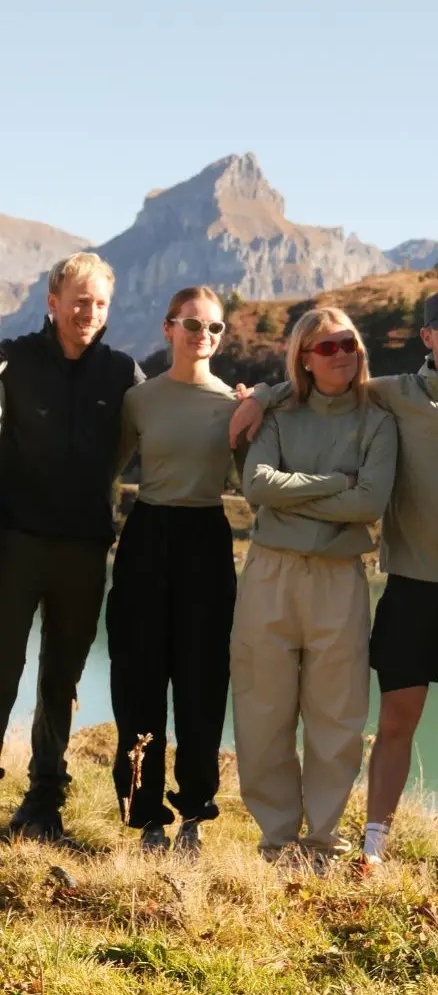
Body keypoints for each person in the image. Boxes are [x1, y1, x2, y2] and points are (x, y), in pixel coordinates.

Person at [231, 288, 438, 885]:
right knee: (382, 720)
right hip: (409, 584)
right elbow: (308, 403)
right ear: (427, 337)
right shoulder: (392, 395)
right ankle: (366, 845)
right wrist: (265, 396)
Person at [231, 307, 397, 863]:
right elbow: (257, 484)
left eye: (347, 343)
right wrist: (334, 485)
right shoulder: (279, 412)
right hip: (270, 575)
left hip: (339, 581)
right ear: (304, 355)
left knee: (337, 717)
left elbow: (369, 503)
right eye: (326, 347)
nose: (341, 355)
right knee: (262, 712)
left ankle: (323, 842)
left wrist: (295, 496)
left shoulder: (377, 420)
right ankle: (277, 840)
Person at [0, 253, 142, 839]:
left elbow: (161, 424)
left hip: (85, 549)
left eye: (100, 303)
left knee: (62, 678)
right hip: (15, 544)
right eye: (79, 301)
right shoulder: (13, 360)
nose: (89, 312)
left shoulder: (123, 373)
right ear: (52, 303)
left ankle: (42, 803)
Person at [108, 287, 241, 855]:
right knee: (138, 675)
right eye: (192, 324)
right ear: (168, 328)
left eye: (214, 328)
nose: (202, 336)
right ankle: (145, 814)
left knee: (202, 680)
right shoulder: (139, 401)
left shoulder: (237, 405)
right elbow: (105, 470)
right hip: (147, 536)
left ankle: (193, 813)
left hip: (208, 538)